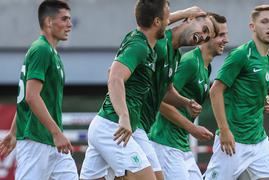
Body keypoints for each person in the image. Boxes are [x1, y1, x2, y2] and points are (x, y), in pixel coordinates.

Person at [79, 1, 170, 180]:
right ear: (157, 21)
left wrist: (188, 13)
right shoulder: (139, 46)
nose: (170, 20)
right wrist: (124, 116)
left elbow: (111, 72)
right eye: (168, 15)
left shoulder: (141, 40)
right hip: (113, 127)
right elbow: (114, 77)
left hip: (111, 126)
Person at [204, 5, 269, 180]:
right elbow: (215, 91)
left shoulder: (266, 57)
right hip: (234, 141)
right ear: (252, 27)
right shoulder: (241, 54)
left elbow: (248, 85)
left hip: (259, 140)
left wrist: (265, 98)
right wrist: (224, 130)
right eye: (264, 22)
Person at [133, 7, 215, 180]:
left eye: (207, 37)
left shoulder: (176, 55)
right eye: (204, 30)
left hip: (159, 137)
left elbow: (165, 93)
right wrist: (186, 12)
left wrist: (186, 102)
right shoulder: (162, 42)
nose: (203, 37)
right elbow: (149, 24)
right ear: (190, 19)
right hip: (145, 133)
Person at [0, 1, 78, 179]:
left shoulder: (51, 52)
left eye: (70, 19)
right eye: (64, 19)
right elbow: (31, 97)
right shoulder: (41, 50)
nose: (69, 24)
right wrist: (57, 133)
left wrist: (13, 133)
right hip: (37, 141)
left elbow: (24, 99)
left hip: (53, 143)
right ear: (49, 22)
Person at [148, 13, 228, 180]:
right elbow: (161, 101)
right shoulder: (190, 62)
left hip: (181, 146)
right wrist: (192, 128)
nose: (225, 40)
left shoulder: (207, 68)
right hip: (165, 144)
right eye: (221, 35)